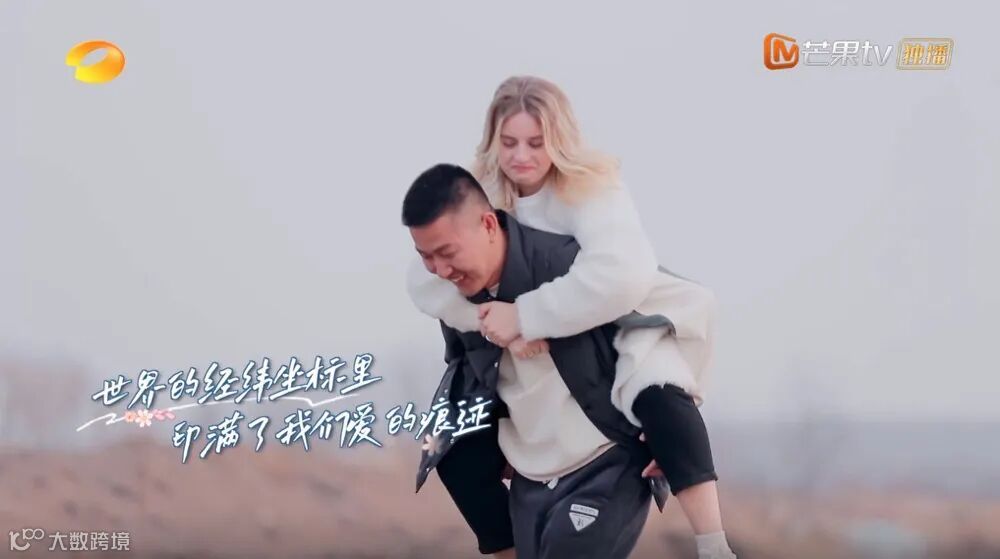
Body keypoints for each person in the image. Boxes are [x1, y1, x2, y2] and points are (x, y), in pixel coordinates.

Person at [407, 76, 737, 559]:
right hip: (524, 336)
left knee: (659, 394)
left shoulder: (591, 187)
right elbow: (425, 282)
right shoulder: (481, 193)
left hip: (618, 313)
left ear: (559, 139)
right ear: (492, 139)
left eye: (535, 143)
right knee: (454, 448)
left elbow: (621, 275)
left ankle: (714, 544)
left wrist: (528, 317)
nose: (521, 156)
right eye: (509, 142)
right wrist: (493, 322)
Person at [405, 163, 667, 559]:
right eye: (426, 256)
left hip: (611, 453)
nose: (440, 270)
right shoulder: (455, 296)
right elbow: (464, 368)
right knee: (457, 456)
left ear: (488, 224)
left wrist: (670, 430)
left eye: (447, 253)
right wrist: (493, 439)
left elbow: (663, 331)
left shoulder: (580, 268)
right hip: (535, 467)